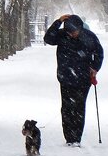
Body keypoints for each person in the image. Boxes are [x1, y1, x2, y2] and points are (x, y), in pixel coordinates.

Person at [44, 13, 103, 147]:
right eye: (69, 32)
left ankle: (76, 138)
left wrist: (95, 68)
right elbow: (48, 38)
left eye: (74, 32)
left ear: (80, 28)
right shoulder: (61, 35)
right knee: (66, 108)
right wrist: (58, 22)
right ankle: (69, 138)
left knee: (78, 108)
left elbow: (99, 53)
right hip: (65, 77)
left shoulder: (89, 37)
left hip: (83, 79)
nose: (72, 35)